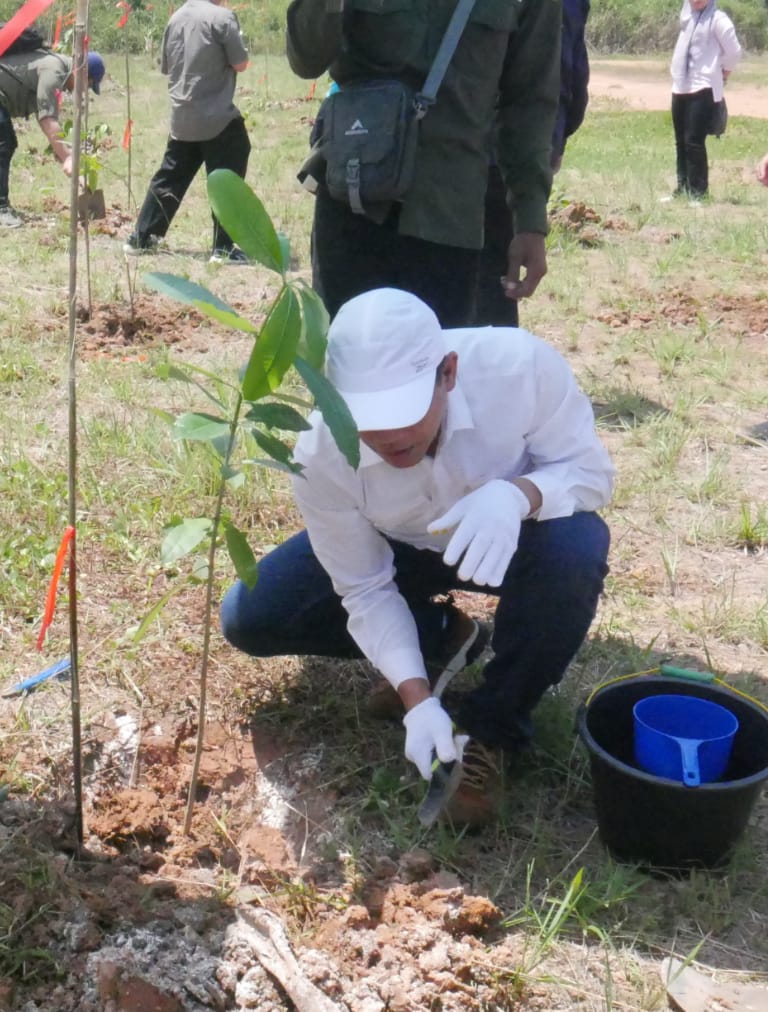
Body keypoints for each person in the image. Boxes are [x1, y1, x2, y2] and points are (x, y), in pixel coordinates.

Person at [220, 288, 614, 827]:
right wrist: (417, 700)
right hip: (401, 544)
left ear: (447, 373)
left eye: (404, 411)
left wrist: (517, 494)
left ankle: (493, 727)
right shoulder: (322, 450)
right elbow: (364, 586)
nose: (388, 436)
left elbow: (590, 475)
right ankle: (444, 637)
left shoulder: (519, 370)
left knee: (577, 549)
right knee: (254, 614)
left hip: (511, 540)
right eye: (367, 418)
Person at [286, 0, 560, 326]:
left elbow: (529, 100)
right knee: (347, 368)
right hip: (355, 209)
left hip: (449, 223)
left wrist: (530, 220)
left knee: (437, 370)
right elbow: (305, 60)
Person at [473, 0, 590, 327]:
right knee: (488, 299)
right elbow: (569, 77)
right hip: (509, 160)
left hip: (485, 157)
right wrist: (554, 142)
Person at [123, 0, 251, 264]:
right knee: (227, 174)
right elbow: (241, 63)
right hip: (216, 117)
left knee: (170, 176)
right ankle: (223, 248)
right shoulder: (223, 18)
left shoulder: (176, 18)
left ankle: (141, 237)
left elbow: (166, 67)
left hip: (182, 117)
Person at [0, 49, 106, 229]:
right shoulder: (55, 71)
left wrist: (64, 155)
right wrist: (68, 157)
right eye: (88, 85)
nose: (83, 91)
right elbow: (47, 119)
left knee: (6, 144)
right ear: (83, 73)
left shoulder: (58, 68)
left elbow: (43, 113)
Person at [669, 0, 740, 201]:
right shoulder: (687, 17)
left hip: (703, 86)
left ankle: (699, 193)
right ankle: (682, 188)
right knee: (680, 141)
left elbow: (734, 51)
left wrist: (724, 73)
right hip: (681, 85)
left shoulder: (718, 19)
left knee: (694, 141)